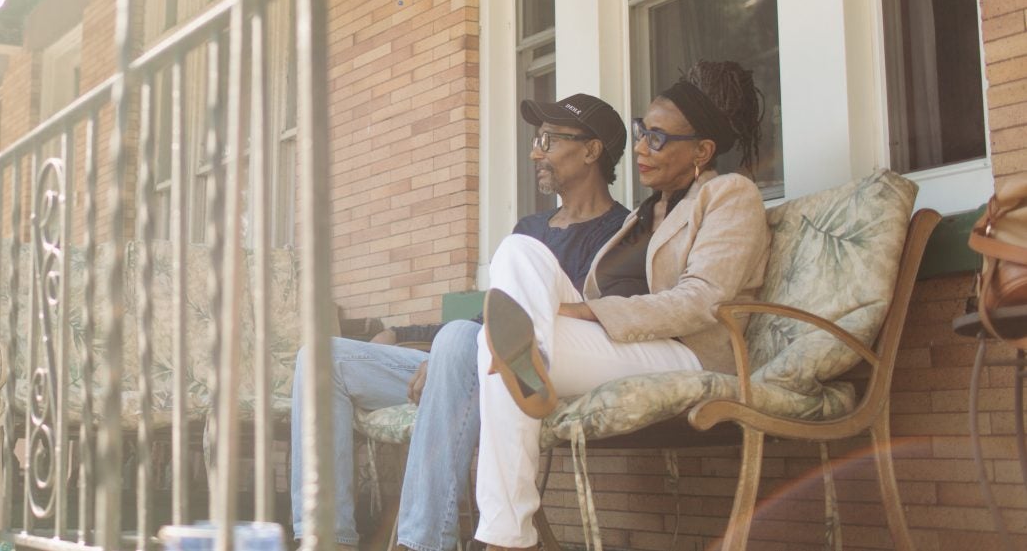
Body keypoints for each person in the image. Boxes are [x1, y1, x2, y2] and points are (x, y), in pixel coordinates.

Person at [291, 93, 631, 551]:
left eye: (549, 140)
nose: (536, 152)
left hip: (533, 379)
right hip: (471, 363)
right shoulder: (530, 229)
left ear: (592, 151)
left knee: (457, 340)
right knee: (321, 359)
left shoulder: (622, 235)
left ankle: (421, 542)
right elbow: (490, 310)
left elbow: (591, 323)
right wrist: (413, 338)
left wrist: (457, 346)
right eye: (536, 139)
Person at [472, 61, 771, 551]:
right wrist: (575, 309)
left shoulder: (727, 195)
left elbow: (704, 300)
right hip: (625, 344)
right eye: (640, 132)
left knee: (494, 347)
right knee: (517, 251)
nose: (640, 147)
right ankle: (529, 360)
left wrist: (592, 313)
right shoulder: (642, 214)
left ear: (702, 150)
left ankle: (505, 537)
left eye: (658, 138)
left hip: (688, 352)